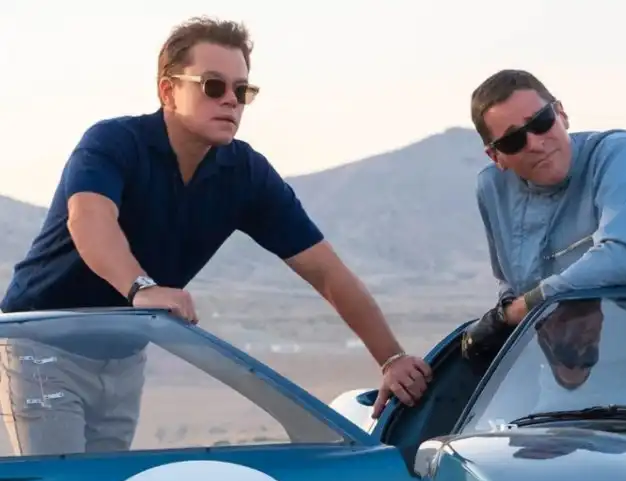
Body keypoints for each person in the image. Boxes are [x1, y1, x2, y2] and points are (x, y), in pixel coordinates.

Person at [0, 16, 430, 456]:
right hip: (42, 346)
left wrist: (391, 359)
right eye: (213, 86)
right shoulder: (114, 142)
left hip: (124, 355)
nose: (230, 101)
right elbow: (89, 220)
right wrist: (141, 288)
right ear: (168, 91)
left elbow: (326, 272)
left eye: (241, 91)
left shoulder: (244, 174)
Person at [461, 68, 626, 362]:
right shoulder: (492, 187)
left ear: (561, 114)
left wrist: (520, 309)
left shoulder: (617, 154)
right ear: (496, 157)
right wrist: (505, 313)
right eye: (513, 141)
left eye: (540, 122)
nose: (534, 143)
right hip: (559, 373)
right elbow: (508, 280)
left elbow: (624, 258)